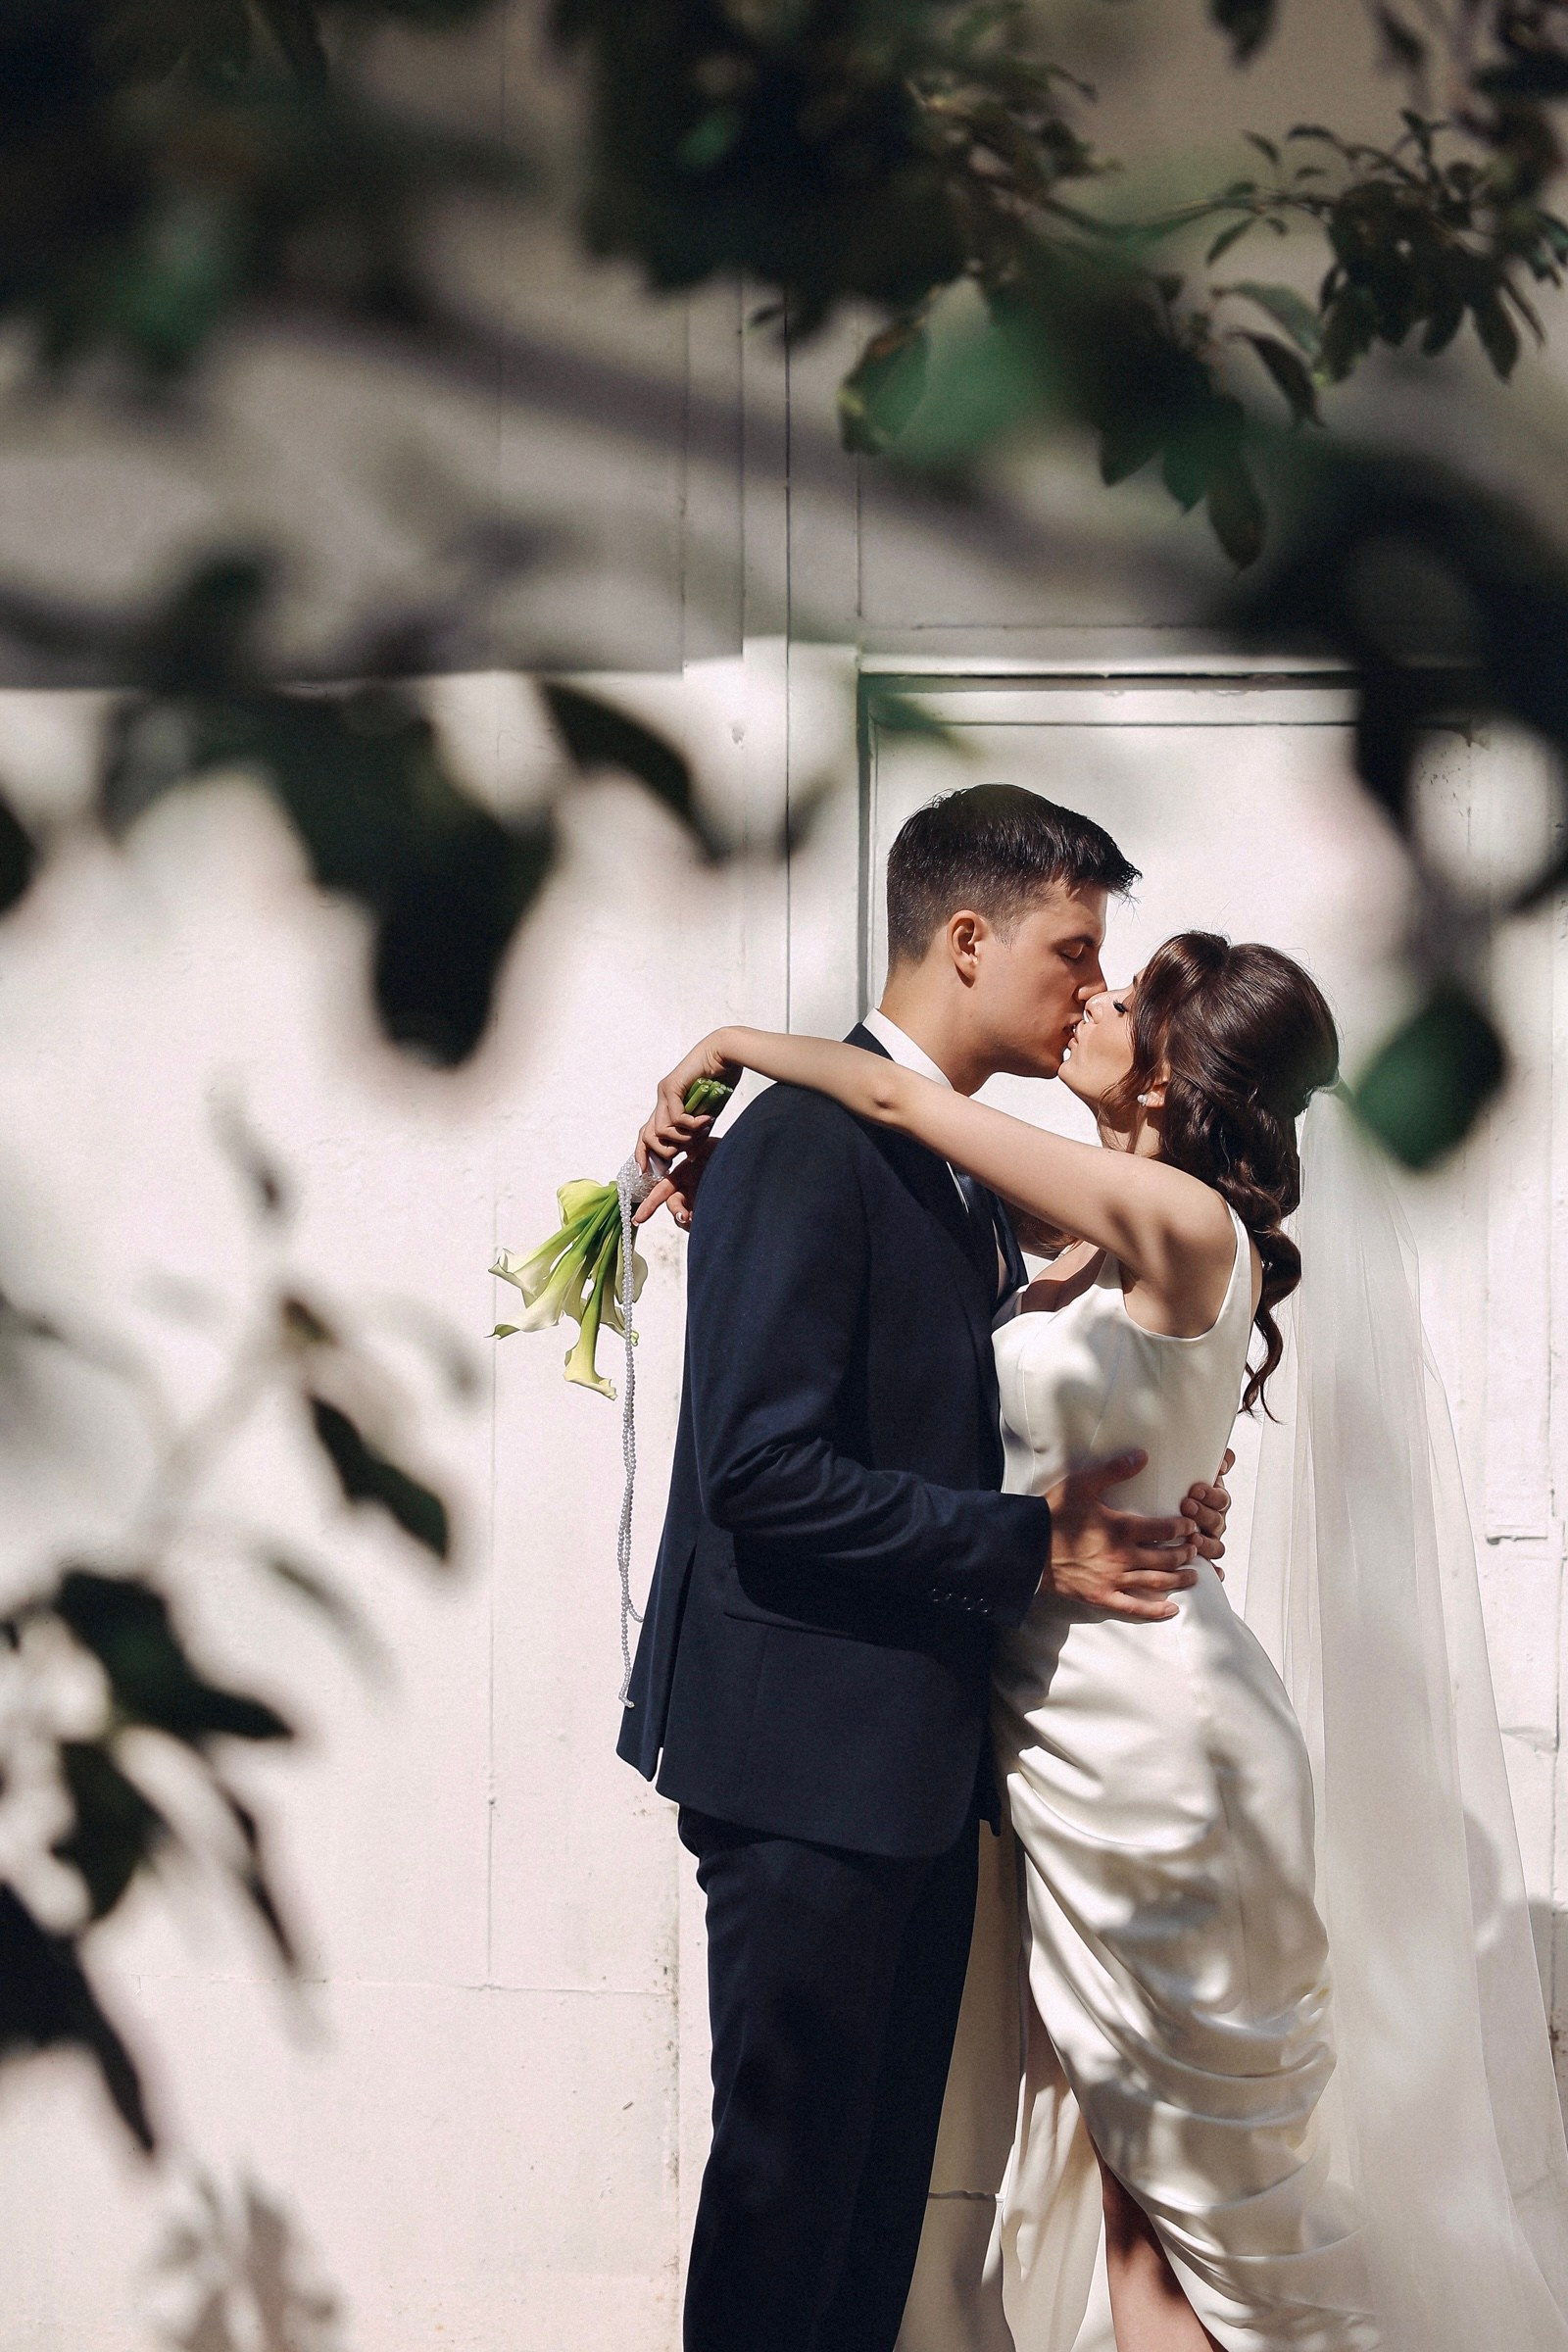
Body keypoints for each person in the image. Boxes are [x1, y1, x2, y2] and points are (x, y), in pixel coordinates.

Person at [643, 920, 1568, 2350]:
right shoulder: (1077, 1235)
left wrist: (731, 1045)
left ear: (1171, 1069)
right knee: (1134, 2209)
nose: (1092, 996)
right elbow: (911, 1310)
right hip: (1056, 1741)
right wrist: (742, 1206)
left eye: (1126, 994)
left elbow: (891, 1093)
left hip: (1148, 1743)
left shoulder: (1179, 1223)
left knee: (1197, 2214)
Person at [616, 786, 1233, 2352]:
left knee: (871, 2232)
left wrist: (1158, 1470)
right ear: (968, 939)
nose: (1094, 991)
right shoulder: (805, 1142)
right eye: (1073, 952)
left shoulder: (948, 1169)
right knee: (786, 2223)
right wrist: (1039, 1546)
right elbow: (759, 1474)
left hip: (911, 1774)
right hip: (804, 1769)